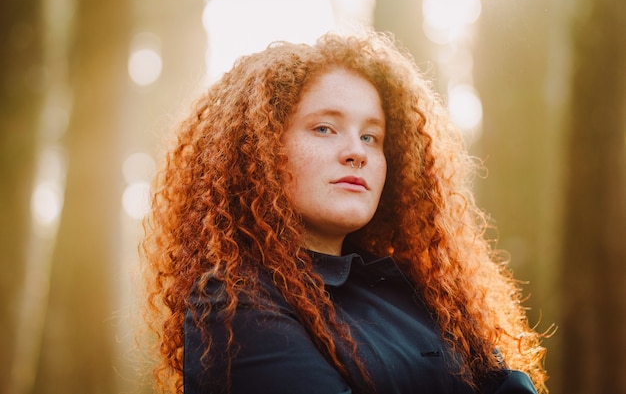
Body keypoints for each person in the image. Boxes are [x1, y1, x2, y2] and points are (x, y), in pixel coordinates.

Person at [141, 30, 549, 394]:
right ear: (260, 149)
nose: (357, 152)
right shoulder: (234, 301)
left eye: (371, 136)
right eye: (324, 128)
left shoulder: (422, 290)